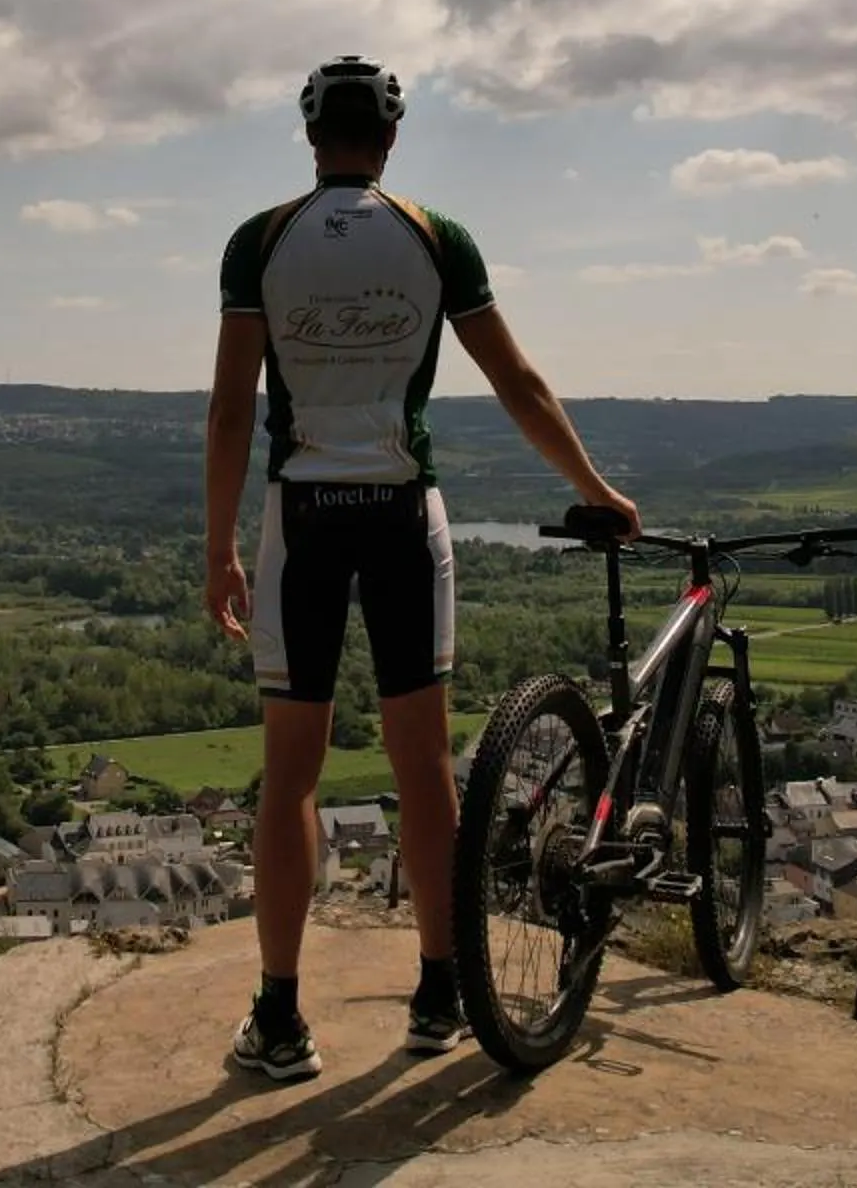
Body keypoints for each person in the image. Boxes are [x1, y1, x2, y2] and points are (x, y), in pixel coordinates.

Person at [204, 54, 636, 1081]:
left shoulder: (259, 241)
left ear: (311, 138)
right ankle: (441, 991)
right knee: (424, 768)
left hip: (300, 517)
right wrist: (594, 485)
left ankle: (279, 1017)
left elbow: (229, 410)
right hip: (404, 513)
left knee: (290, 779)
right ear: (390, 139)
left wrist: (217, 546)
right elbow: (517, 380)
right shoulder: (437, 237)